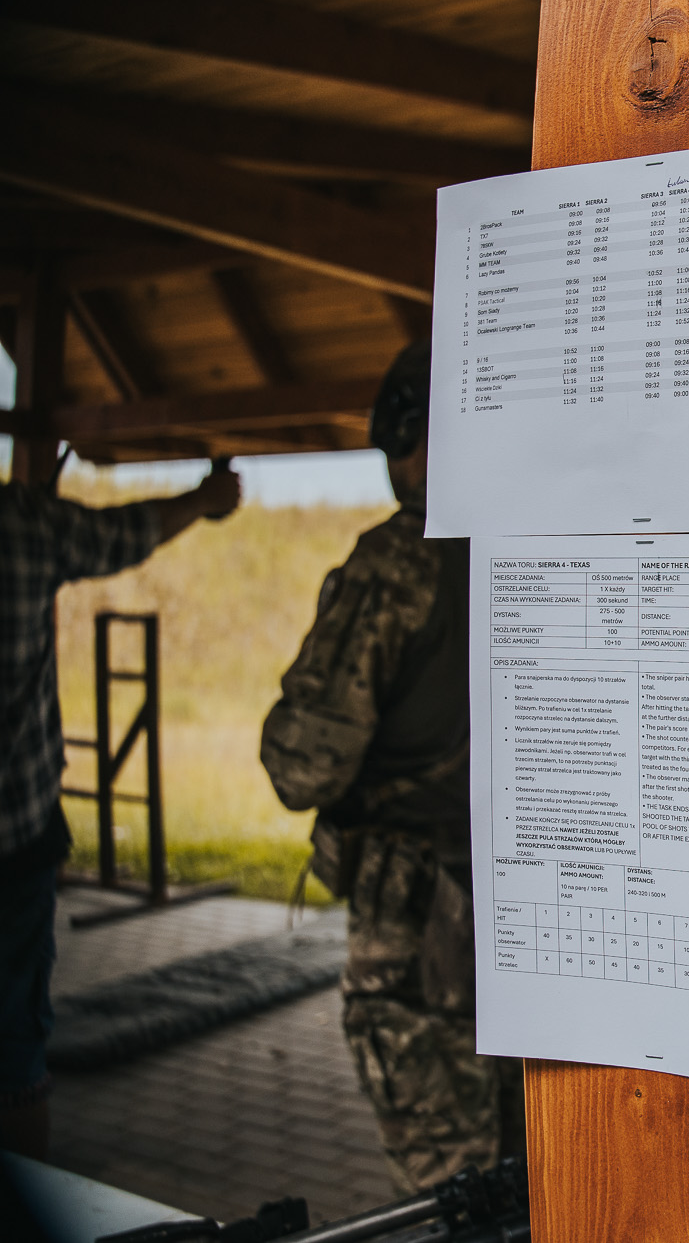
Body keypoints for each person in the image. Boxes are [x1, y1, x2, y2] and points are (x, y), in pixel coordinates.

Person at [260, 342, 519, 1193]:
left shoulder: (399, 561)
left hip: (419, 938)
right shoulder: (535, 547)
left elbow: (304, 763)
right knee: (531, 1185)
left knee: (454, 1194)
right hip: (532, 927)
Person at [1, 458, 242, 1159]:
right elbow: (124, 533)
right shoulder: (20, 525)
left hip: (19, 849)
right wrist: (205, 498)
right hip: (14, 847)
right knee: (14, 1059)